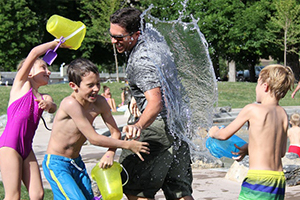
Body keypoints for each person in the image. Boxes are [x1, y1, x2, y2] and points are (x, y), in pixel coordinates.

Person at [109, 8, 194, 200]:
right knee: (179, 190)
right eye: (112, 35)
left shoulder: (141, 60)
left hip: (156, 127)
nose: (114, 41)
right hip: (178, 125)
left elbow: (156, 102)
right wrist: (135, 99)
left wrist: (138, 124)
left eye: (119, 37)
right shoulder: (154, 39)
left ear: (136, 34)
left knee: (134, 188)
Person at [42, 58, 149, 200]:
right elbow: (93, 138)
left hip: (77, 162)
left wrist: (110, 153)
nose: (96, 89)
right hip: (57, 164)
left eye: (98, 83)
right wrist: (128, 145)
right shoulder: (70, 104)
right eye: (90, 85)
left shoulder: (100, 102)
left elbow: (115, 132)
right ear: (74, 86)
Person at [209, 64, 294, 200]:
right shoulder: (283, 114)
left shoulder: (252, 109)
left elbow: (224, 135)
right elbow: (281, 151)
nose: (256, 88)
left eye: (257, 84)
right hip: (278, 181)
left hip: (259, 180)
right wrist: (249, 148)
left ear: (265, 86)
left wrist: (213, 132)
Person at [0, 41, 59, 200]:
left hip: (27, 147)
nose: (48, 72)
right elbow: (33, 53)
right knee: (13, 196)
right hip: (10, 146)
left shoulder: (44, 97)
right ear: (29, 72)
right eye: (43, 68)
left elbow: (53, 107)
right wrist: (55, 43)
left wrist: (49, 105)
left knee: (38, 194)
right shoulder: (21, 85)